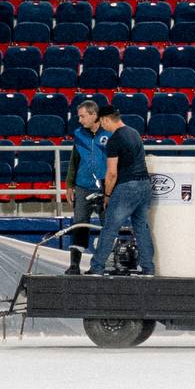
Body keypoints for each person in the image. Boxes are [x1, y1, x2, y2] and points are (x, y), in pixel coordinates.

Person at [87, 106, 155, 275]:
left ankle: (97, 267)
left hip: (127, 187)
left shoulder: (114, 140)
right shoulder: (134, 133)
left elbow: (111, 173)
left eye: (102, 123)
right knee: (141, 228)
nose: (102, 127)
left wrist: (107, 195)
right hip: (145, 185)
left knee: (110, 228)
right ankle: (148, 268)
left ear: (105, 119)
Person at [64, 100, 111, 274]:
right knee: (79, 224)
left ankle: (103, 265)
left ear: (93, 115)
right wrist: (69, 184)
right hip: (83, 186)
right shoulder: (79, 134)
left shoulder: (110, 133)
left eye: (83, 116)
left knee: (109, 225)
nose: (80, 120)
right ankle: (74, 265)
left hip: (106, 188)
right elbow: (74, 160)